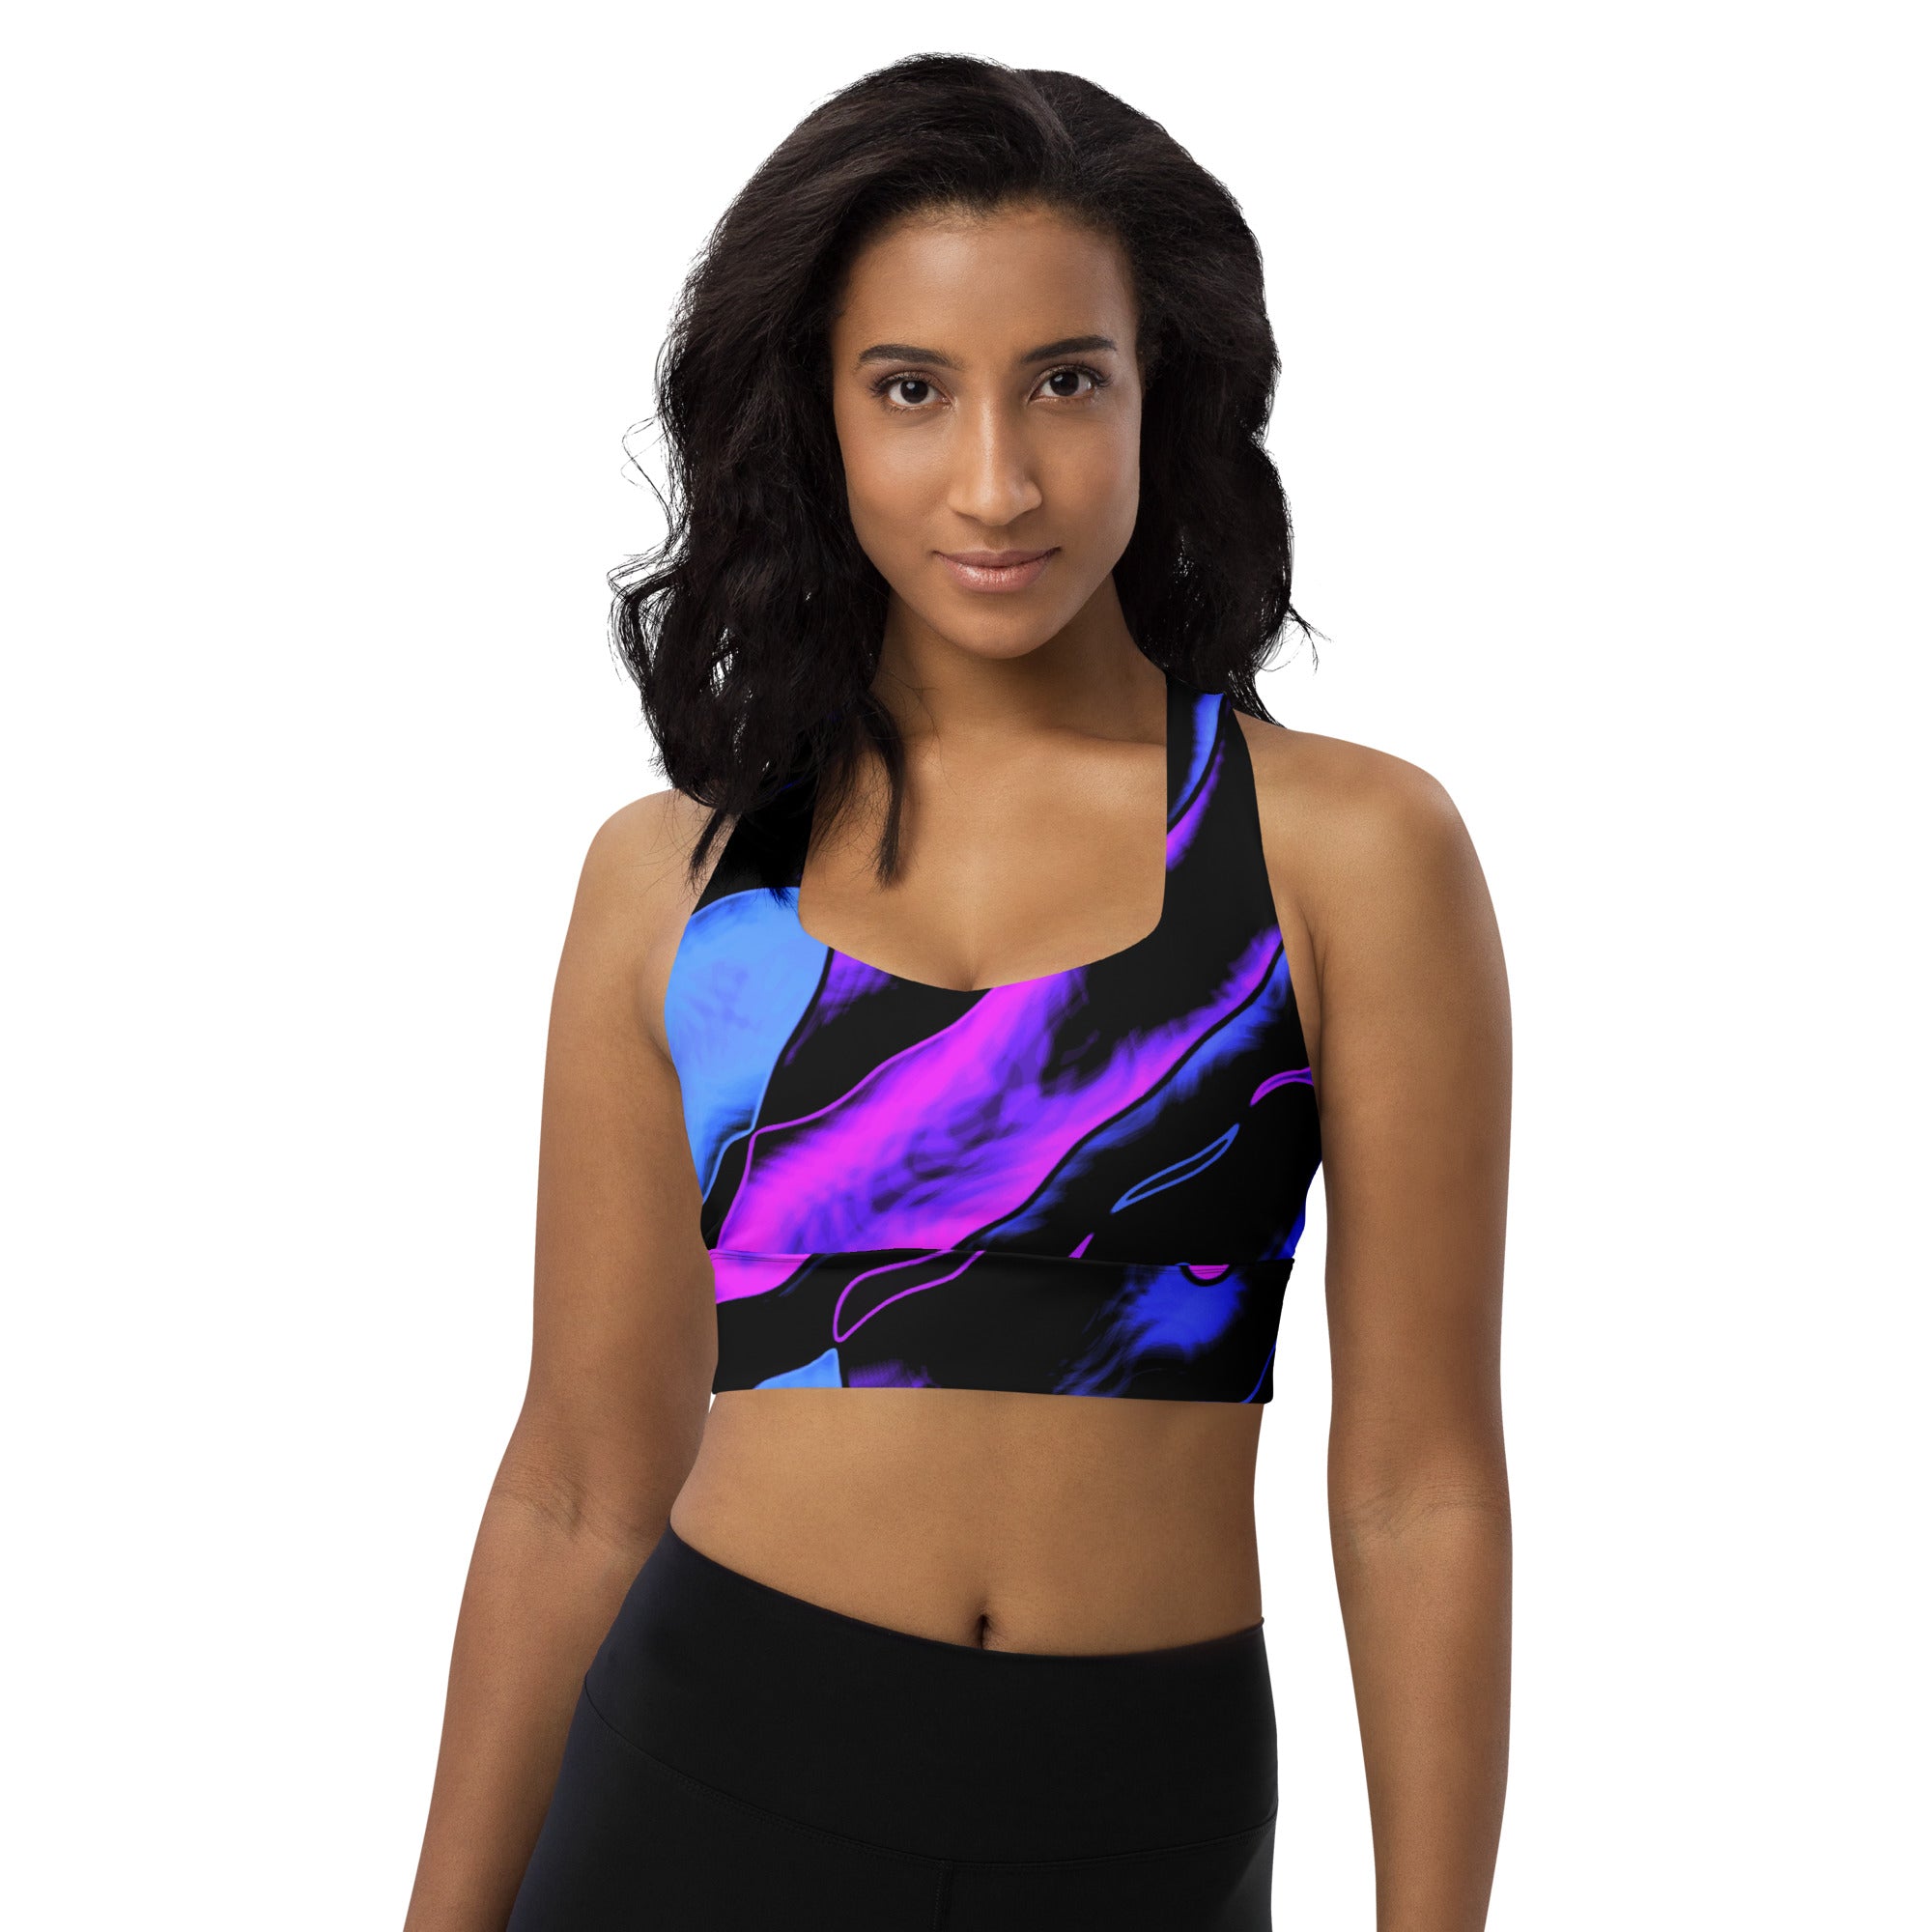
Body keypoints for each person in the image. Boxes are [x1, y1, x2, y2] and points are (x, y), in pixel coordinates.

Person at [403, 53, 1512, 1932]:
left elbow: (1419, 1488)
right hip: (705, 1786)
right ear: (817, 411)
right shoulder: (675, 886)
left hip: (1136, 1828)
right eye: (910, 389)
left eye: (1066, 382)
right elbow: (580, 1483)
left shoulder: (1344, 855)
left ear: (1165, 392)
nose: (996, 482)